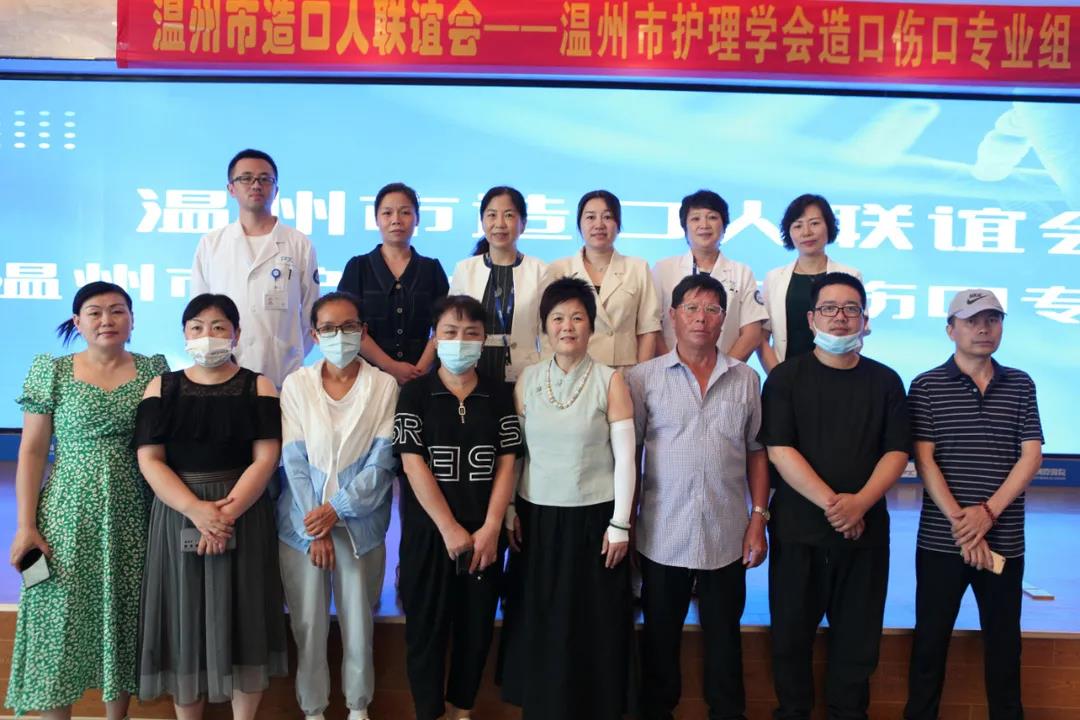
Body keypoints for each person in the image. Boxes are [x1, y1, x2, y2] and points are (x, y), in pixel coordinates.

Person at [5, 282, 168, 720]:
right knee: (54, 615)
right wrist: (25, 525)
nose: (106, 320)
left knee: (123, 615)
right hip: (63, 514)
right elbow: (32, 451)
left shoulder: (154, 370)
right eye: (94, 312)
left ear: (132, 320)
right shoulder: (52, 371)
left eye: (117, 311)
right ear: (78, 322)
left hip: (133, 511)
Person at [757, 272, 910, 720]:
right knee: (790, 639)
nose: (840, 317)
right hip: (799, 533)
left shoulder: (886, 381)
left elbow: (897, 451)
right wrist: (836, 506)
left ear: (864, 319)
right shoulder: (785, 379)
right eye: (829, 308)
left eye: (850, 309)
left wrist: (860, 504)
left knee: (858, 643)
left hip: (865, 534)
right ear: (811, 319)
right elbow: (779, 449)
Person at [134, 293, 288, 720]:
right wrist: (197, 511)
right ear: (184, 334)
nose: (208, 335)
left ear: (236, 334)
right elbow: (150, 459)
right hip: (179, 510)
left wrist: (223, 516)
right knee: (183, 618)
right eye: (197, 327)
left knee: (245, 614)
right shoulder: (161, 386)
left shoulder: (259, 384)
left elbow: (266, 458)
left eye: (219, 327)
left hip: (243, 508)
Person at [626, 273, 769, 720]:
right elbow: (631, 453)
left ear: (724, 319)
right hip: (661, 533)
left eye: (711, 309)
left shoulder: (746, 379)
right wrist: (625, 523)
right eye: (691, 308)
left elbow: (756, 452)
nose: (701, 318)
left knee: (725, 639)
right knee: (659, 638)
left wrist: (758, 519)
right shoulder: (643, 378)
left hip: (726, 535)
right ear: (672, 316)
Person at [499, 277, 636, 719]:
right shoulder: (528, 379)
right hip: (537, 519)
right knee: (540, 615)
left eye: (577, 317)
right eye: (557, 318)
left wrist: (621, 523)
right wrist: (511, 509)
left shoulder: (610, 380)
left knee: (591, 620)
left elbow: (626, 459)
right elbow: (516, 454)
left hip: (593, 522)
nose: (567, 326)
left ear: (591, 326)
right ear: (544, 326)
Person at [904, 289, 1043, 720]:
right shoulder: (926, 385)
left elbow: (1031, 456)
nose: (983, 329)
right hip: (941, 542)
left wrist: (987, 514)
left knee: (1005, 646)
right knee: (929, 645)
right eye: (971, 321)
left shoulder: (1021, 383)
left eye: (992, 320)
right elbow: (924, 461)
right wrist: (964, 526)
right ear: (951, 329)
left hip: (1004, 540)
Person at [393, 295, 522, 720]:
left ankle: (463, 710)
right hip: (429, 536)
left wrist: (492, 526)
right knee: (425, 631)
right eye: (450, 332)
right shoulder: (415, 393)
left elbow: (507, 462)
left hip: (484, 536)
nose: (460, 341)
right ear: (435, 337)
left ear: (484, 340)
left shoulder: (498, 393)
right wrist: (448, 528)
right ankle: (429, 712)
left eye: (471, 333)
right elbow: (412, 463)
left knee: (476, 630)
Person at [277, 291, 399, 720]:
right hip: (302, 528)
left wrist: (336, 510)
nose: (339, 335)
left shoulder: (383, 385)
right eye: (328, 328)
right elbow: (293, 460)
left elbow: (382, 463)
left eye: (348, 326)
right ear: (314, 335)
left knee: (359, 623)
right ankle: (313, 710)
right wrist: (317, 525)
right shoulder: (297, 384)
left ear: (363, 331)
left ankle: (357, 708)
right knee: (308, 624)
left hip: (359, 527)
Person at [190, 148, 318, 388]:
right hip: (222, 372)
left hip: (282, 374)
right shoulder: (211, 243)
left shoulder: (298, 243)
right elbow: (198, 312)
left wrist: (288, 351)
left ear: (276, 189)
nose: (256, 185)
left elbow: (311, 314)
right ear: (231, 188)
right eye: (246, 178)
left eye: (265, 179)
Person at [338, 182, 449, 385]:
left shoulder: (431, 269)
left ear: (417, 219)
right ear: (376, 219)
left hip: (421, 379)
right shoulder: (358, 267)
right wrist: (390, 366)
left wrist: (421, 369)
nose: (396, 220)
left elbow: (444, 325)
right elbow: (347, 326)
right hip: (367, 379)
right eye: (387, 213)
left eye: (405, 212)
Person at [543, 189, 661, 368]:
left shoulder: (637, 268)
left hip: (624, 372)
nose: (599, 225)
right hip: (573, 369)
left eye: (607, 217)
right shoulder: (558, 270)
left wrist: (641, 375)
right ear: (579, 224)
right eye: (590, 217)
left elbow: (648, 329)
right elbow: (548, 330)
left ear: (618, 224)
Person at [653, 189, 767, 362]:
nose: (704, 225)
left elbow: (752, 333)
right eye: (695, 218)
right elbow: (652, 326)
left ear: (724, 226)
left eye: (712, 217)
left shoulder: (742, 272)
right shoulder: (663, 269)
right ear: (684, 227)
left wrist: (723, 369)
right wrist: (670, 366)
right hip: (670, 371)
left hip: (727, 370)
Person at [449, 186, 547, 385]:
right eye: (492, 215)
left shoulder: (540, 271)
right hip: (472, 370)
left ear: (523, 224)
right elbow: (451, 324)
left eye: (509, 215)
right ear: (482, 221)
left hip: (526, 373)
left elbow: (547, 331)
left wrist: (546, 374)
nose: (500, 224)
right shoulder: (465, 269)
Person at [758, 193, 862, 373]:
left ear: (829, 226)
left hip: (837, 375)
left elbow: (857, 334)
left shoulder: (850, 275)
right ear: (789, 233)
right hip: (786, 375)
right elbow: (762, 337)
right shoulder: (774, 278)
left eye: (814, 223)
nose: (806, 232)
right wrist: (778, 377)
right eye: (798, 226)